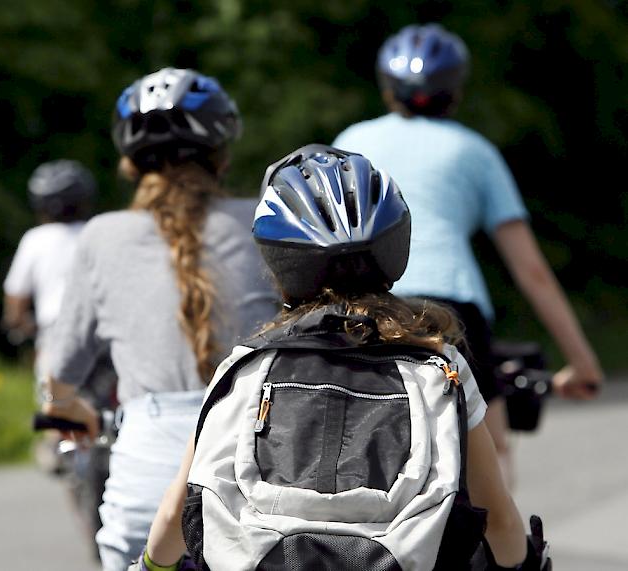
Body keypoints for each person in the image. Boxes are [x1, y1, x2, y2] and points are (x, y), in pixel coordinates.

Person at [126, 145, 550, 571]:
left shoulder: (244, 368)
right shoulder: (440, 368)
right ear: (394, 248)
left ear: (279, 262)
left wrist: (150, 566)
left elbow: (176, 512)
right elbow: (498, 520)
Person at [331, 23, 604, 486]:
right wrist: (583, 364)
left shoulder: (352, 140)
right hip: (452, 308)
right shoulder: (476, 152)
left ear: (387, 88)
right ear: (454, 90)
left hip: (365, 304)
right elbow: (532, 271)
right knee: (491, 455)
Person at [40, 67, 279, 571]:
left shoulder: (101, 236)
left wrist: (65, 405)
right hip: (258, 474)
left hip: (146, 495)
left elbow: (58, 374)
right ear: (223, 155)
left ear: (129, 164)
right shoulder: (264, 223)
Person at [2, 159, 97, 384]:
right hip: (99, 332)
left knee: (56, 407)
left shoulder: (35, 239)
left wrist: (22, 325)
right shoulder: (96, 233)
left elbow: (15, 305)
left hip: (56, 333)